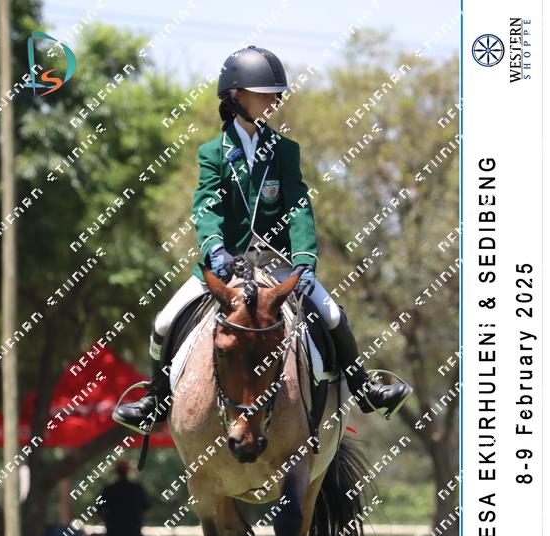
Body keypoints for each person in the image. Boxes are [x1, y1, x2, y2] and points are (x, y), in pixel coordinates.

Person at [113, 45, 412, 435]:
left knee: (333, 315)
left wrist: (304, 261)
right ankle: (155, 400)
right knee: (164, 320)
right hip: (227, 263)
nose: (273, 102)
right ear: (236, 95)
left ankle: (364, 388)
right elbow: (206, 204)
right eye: (264, 94)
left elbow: (298, 206)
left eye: (275, 95)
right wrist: (214, 248)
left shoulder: (285, 151)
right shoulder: (212, 153)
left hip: (278, 262)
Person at [98, 460, 150, 536]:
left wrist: (109, 520)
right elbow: (147, 507)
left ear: (116, 472)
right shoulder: (137, 489)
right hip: (134, 535)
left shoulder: (109, 489)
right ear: (128, 472)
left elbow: (99, 510)